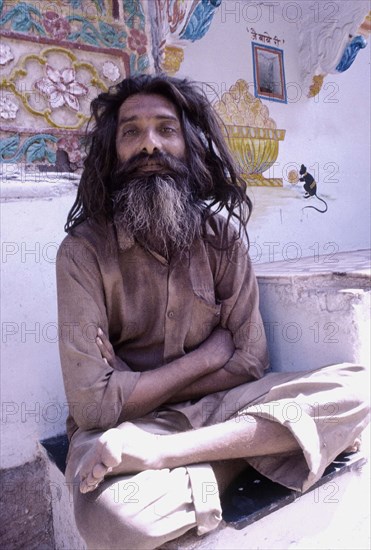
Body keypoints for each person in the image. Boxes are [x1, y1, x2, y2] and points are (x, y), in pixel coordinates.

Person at [56, 74, 369, 550]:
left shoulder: (220, 238)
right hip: (125, 431)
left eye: (166, 129)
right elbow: (92, 406)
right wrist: (206, 358)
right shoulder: (82, 253)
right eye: (131, 132)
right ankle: (248, 448)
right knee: (117, 523)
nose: (149, 146)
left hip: (210, 413)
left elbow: (249, 361)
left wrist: (132, 386)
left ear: (189, 144)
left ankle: (176, 455)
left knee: (359, 387)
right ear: (111, 152)